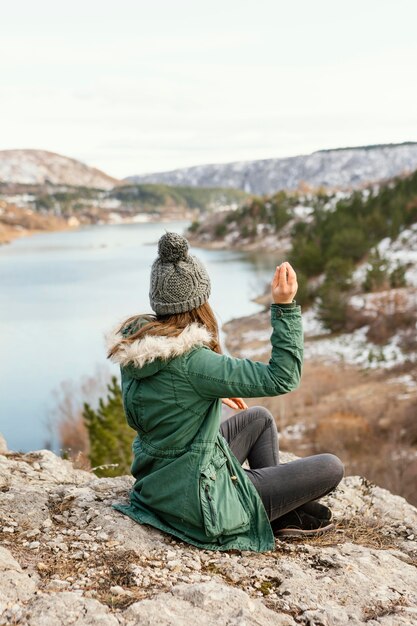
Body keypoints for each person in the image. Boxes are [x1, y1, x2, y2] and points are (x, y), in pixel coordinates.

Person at [107, 232, 344, 552]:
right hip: (197, 503)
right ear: (199, 301)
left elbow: (164, 398)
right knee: (331, 467)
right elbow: (282, 377)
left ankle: (277, 514)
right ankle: (267, 514)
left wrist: (205, 394)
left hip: (159, 485)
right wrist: (284, 307)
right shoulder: (195, 363)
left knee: (258, 419)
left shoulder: (137, 348)